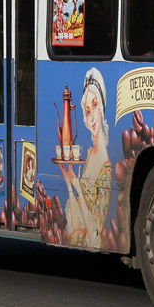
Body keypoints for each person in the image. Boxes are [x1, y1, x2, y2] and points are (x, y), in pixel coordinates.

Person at [62, 67, 111, 247]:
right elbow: (77, 231)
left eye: (95, 105)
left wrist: (76, 187)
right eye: (87, 111)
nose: (91, 118)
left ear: (103, 107)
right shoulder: (89, 154)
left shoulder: (106, 168)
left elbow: (93, 235)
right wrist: (70, 184)